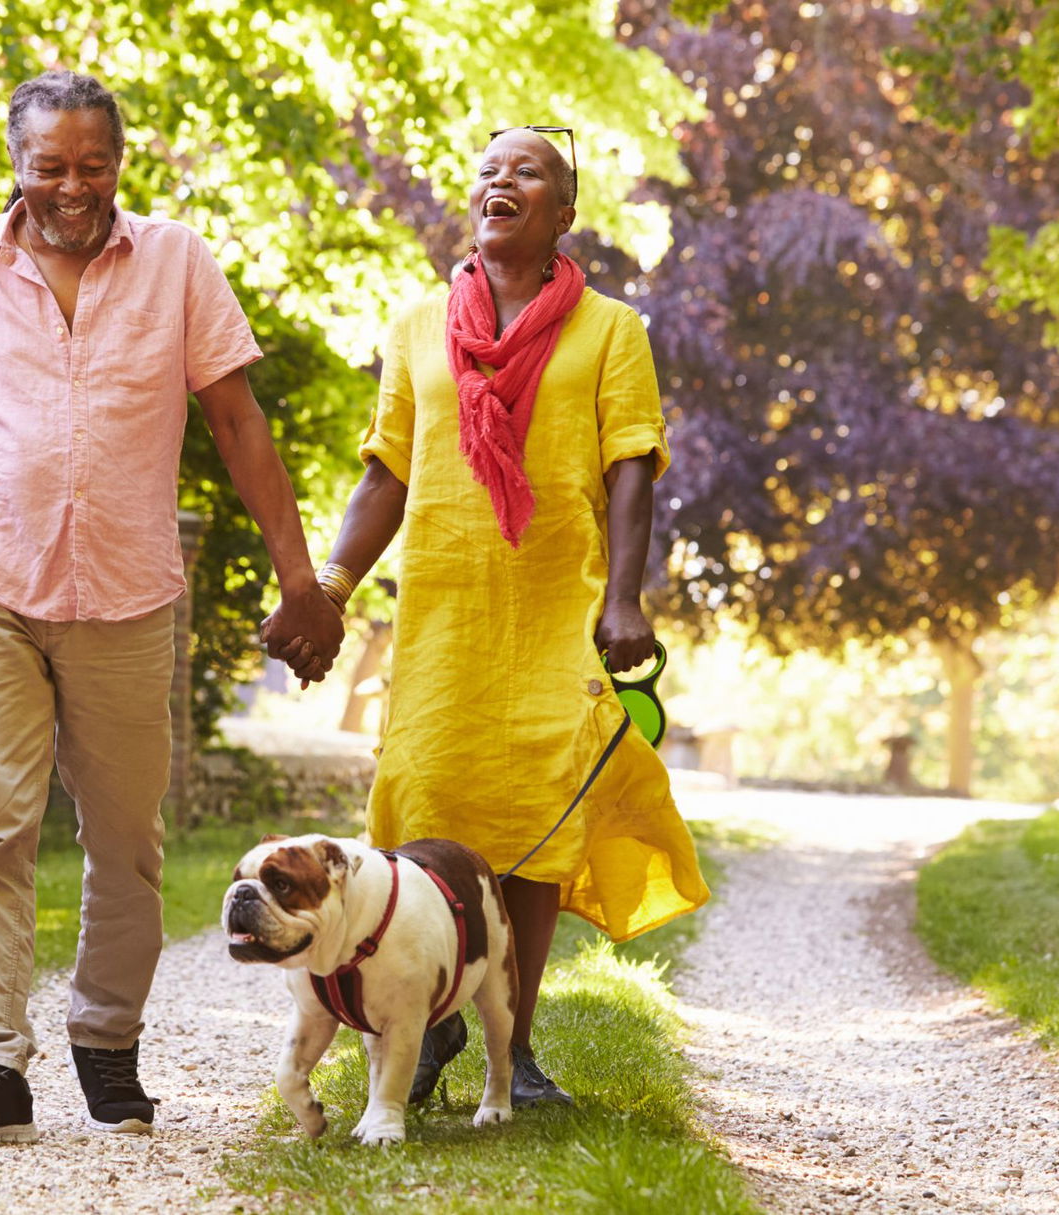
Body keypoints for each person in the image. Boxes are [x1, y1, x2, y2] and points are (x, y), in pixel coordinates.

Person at [0, 70, 343, 1146]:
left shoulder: (176, 262)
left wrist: (298, 579)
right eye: (49, 168)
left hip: (125, 596)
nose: (73, 188)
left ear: (119, 164)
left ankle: (106, 1042)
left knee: (126, 839)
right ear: (15, 168)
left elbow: (237, 422)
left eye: (93, 166)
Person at [277, 127, 709, 1107]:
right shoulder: (417, 325)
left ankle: (512, 1051)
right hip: (442, 618)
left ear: (564, 213)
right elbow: (387, 471)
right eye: (487, 170)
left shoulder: (610, 331)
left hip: (556, 612)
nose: (499, 181)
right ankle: (422, 1032)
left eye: (529, 171)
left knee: (534, 830)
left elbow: (630, 466)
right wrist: (332, 588)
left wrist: (626, 599)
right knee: (424, 811)